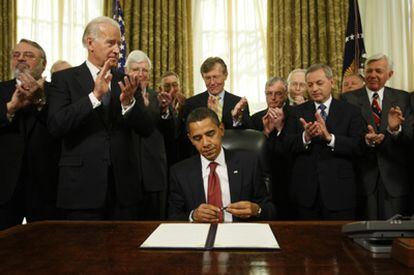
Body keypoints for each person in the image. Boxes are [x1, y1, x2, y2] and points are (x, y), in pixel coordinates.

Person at [47, 16, 154, 220]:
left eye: (119, 44)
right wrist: (93, 96)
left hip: (124, 191)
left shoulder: (127, 80)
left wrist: (128, 104)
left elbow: (147, 129)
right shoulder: (64, 79)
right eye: (110, 43)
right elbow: (56, 125)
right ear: (90, 43)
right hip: (81, 190)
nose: (117, 50)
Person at [272, 63, 365, 220]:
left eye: (319, 83)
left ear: (332, 82)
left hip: (340, 194)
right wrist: (305, 137)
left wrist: (330, 138)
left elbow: (359, 147)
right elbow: (284, 145)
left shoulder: (351, 111)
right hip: (305, 196)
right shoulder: (295, 112)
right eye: (310, 85)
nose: (314, 89)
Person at [168, 107, 275, 222]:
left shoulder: (249, 163)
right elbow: (173, 217)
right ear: (190, 139)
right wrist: (193, 216)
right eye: (197, 138)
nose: (205, 143)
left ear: (221, 130)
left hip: (239, 235)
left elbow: (270, 211)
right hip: (200, 236)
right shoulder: (179, 172)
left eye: (210, 134)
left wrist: (256, 210)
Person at [341, 53, 413, 220]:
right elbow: (345, 136)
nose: (373, 75)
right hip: (362, 178)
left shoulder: (403, 98)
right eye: (369, 71)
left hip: (395, 180)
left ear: (390, 74)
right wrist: (365, 139)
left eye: (379, 71)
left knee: (396, 238)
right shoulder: (348, 99)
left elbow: (410, 136)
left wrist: (395, 129)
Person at [0, 39, 61, 230]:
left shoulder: (57, 92)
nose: (21, 59)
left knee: (46, 249)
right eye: (16, 55)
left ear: (44, 63)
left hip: (46, 184)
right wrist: (10, 109)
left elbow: (60, 126)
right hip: (5, 185)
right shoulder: (1, 89)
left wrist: (40, 101)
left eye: (29, 55)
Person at [124, 50, 172, 220]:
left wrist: (165, 111)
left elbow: (172, 134)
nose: (140, 74)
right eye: (135, 69)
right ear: (126, 72)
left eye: (144, 70)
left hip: (154, 173)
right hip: (127, 175)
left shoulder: (158, 97)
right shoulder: (118, 96)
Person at [251, 77, 293, 219]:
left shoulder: (295, 115)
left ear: (286, 94)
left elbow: (295, 148)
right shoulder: (256, 118)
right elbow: (253, 153)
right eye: (269, 93)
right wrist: (266, 133)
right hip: (264, 180)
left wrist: (280, 129)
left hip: (289, 179)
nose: (273, 98)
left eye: (278, 93)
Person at [183, 57, 251, 129]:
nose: (212, 82)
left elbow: (247, 135)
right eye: (208, 78)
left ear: (225, 75)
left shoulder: (238, 103)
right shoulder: (191, 104)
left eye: (215, 77)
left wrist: (236, 120)